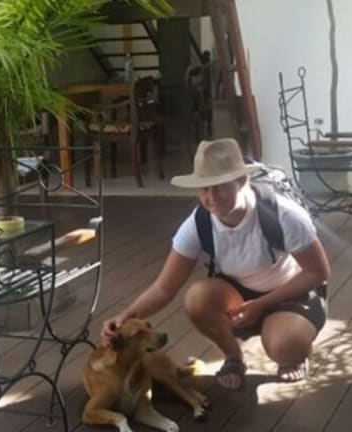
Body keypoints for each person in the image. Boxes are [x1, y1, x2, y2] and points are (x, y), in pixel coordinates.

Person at [101, 138, 330, 390]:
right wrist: (125, 316)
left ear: (242, 181)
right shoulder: (199, 223)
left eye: (220, 187)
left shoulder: (283, 215)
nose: (211, 198)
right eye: (204, 189)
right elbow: (164, 288)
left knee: (286, 346)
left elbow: (318, 272)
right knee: (197, 297)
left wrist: (262, 304)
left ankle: (294, 350)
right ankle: (233, 357)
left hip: (290, 293)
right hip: (239, 296)